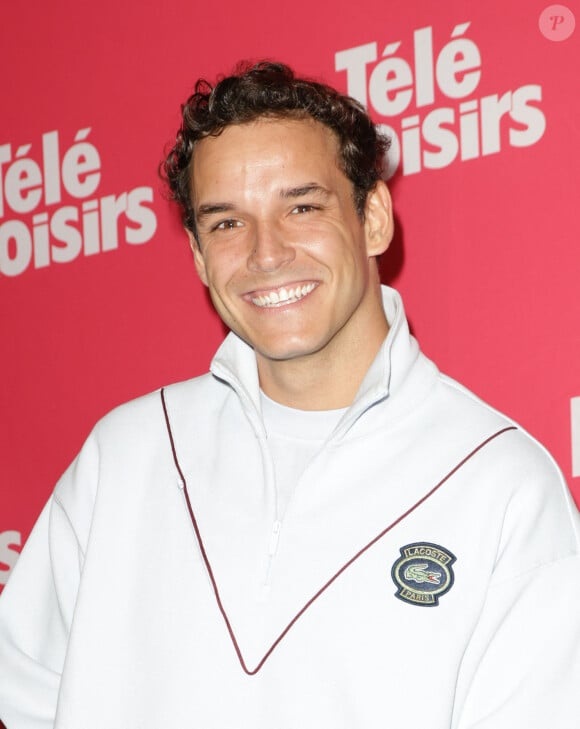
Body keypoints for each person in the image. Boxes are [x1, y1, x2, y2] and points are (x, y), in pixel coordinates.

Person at [0, 61, 579, 729]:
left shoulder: (501, 484)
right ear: (196, 254)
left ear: (374, 219)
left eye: (301, 206)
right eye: (226, 223)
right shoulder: (126, 453)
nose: (265, 253)